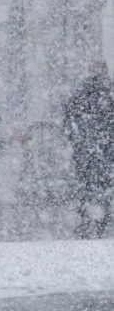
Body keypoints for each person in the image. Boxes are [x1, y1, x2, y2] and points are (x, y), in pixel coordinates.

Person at [62, 60, 114, 239]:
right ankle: (101, 223)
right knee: (105, 187)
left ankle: (86, 222)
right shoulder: (109, 91)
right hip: (104, 148)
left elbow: (69, 119)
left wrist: (76, 140)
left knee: (85, 186)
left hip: (87, 149)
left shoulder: (81, 92)